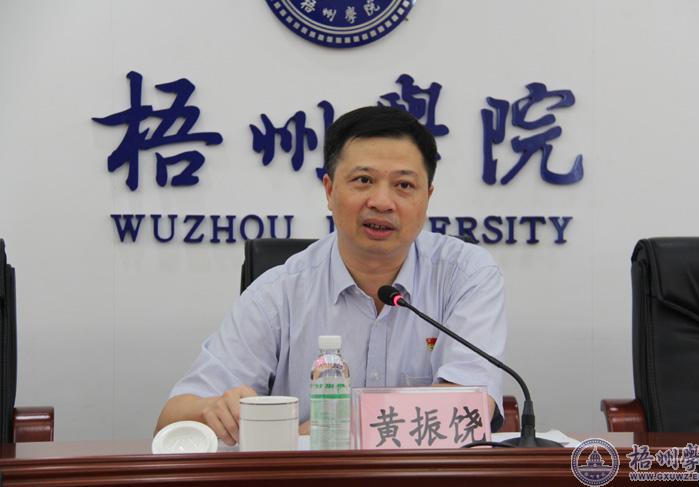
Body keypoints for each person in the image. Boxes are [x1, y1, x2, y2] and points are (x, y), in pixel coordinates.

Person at [156, 106, 507, 445]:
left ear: (427, 197)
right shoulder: (278, 293)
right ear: (329, 190)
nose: (382, 202)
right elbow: (171, 421)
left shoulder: (465, 275)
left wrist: (319, 432)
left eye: (403, 185)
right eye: (363, 180)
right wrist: (215, 411)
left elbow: (469, 407)